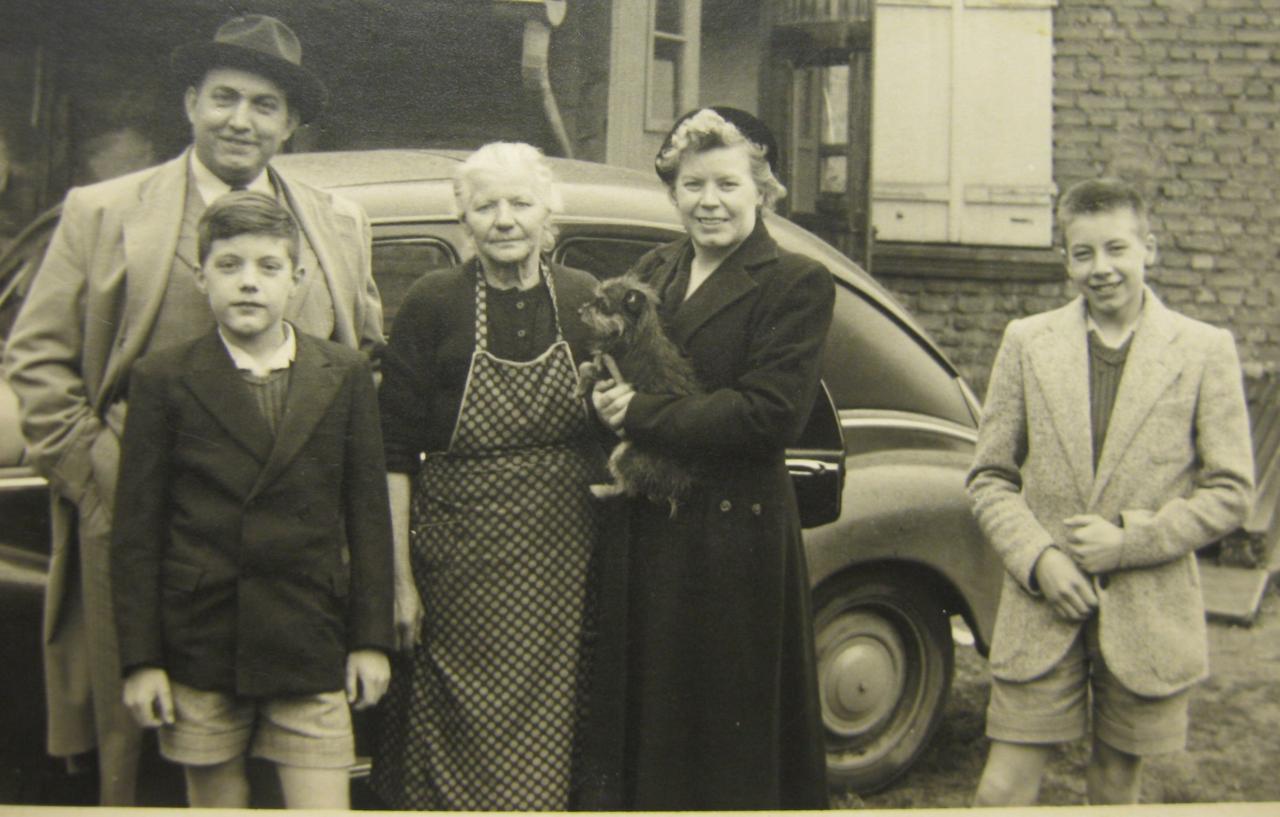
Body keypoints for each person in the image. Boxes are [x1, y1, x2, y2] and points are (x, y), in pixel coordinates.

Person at [1, 14, 383, 805]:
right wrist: (106, 478)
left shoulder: (338, 221)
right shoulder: (103, 212)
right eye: (224, 97)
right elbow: (35, 364)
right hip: (143, 535)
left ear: (289, 124)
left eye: (265, 105)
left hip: (294, 562)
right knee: (140, 749)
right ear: (190, 103)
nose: (241, 120)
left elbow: (363, 358)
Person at [967, 178, 1255, 806]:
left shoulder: (1205, 350)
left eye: (1117, 249)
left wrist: (1129, 542)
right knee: (1001, 788)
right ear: (1065, 259)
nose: (1102, 269)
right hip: (1042, 608)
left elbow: (1231, 491)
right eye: (1083, 253)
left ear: (1149, 249)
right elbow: (989, 476)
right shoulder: (1027, 342)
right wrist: (1040, 561)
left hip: (1148, 612)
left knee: (1116, 783)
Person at [583, 107, 833, 809]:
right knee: (653, 723)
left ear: (762, 189)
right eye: (692, 185)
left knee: (723, 734)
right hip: (651, 530)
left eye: (728, 183)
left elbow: (767, 415)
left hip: (733, 541)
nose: (710, 201)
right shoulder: (657, 268)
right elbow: (620, 359)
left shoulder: (795, 283)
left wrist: (638, 413)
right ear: (673, 192)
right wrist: (603, 391)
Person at [110, 192, 394, 809]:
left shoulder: (341, 374)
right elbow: (137, 532)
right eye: (230, 265)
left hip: (309, 636)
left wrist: (370, 640)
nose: (248, 284)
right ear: (201, 275)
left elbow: (369, 518)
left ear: (297, 280)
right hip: (202, 641)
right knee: (216, 801)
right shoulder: (163, 379)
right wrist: (142, 661)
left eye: (268, 268)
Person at [369, 142, 603, 810]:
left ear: (548, 211)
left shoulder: (584, 299)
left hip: (564, 562)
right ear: (463, 216)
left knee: (556, 723)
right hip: (455, 563)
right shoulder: (433, 302)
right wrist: (400, 581)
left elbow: (620, 428)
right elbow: (393, 452)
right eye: (486, 204)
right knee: (451, 723)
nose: (504, 219)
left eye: (520, 203)